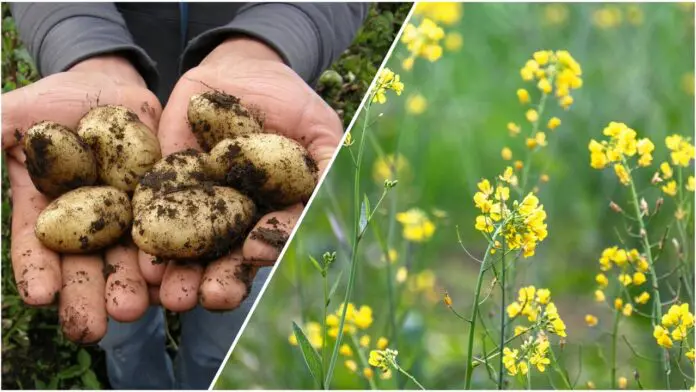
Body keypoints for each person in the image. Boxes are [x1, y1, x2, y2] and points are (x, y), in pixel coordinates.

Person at [2, 3, 369, 388]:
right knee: (122, 325)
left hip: (258, 174)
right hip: (116, 88)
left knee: (228, 324)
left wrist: (267, 41)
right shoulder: (132, 187)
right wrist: (85, 49)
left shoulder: (222, 166)